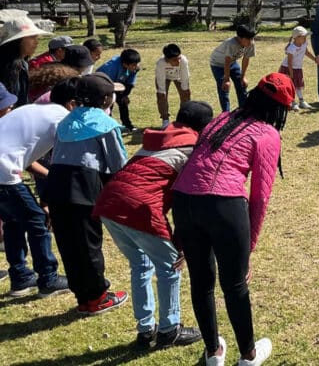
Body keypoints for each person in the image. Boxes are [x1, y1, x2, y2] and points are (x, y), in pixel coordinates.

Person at [172, 73, 292, 366]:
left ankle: (213, 352)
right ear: (280, 109)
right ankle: (248, 355)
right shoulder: (267, 133)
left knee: (201, 282)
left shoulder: (220, 119)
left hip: (184, 200)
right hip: (223, 204)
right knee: (235, 284)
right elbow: (260, 195)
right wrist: (247, 247)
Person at [94, 101, 214, 350]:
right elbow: (186, 203)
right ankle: (170, 329)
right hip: (140, 207)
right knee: (169, 267)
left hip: (108, 202)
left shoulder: (153, 141)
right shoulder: (191, 149)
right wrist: (180, 245)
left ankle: (145, 330)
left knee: (141, 264)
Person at [42, 73, 129, 315]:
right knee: (89, 244)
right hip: (83, 187)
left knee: (68, 244)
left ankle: (83, 297)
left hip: (57, 185)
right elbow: (118, 164)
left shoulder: (66, 120)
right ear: (105, 99)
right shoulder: (105, 123)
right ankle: (98, 298)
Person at [0, 80, 74, 299]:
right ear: (72, 104)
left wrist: (49, 177)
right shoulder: (62, 119)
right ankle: (48, 279)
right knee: (37, 220)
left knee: (13, 221)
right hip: (3, 172)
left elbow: (26, 157)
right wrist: (48, 199)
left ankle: (21, 278)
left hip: (4, 169)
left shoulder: (34, 110)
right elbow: (62, 162)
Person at [0, 16, 51, 107]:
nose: (36, 42)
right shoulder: (6, 66)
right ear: (16, 41)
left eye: (37, 38)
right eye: (32, 37)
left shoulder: (22, 63)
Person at [209, 25, 257, 113]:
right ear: (240, 38)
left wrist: (243, 77)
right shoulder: (231, 44)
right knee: (224, 87)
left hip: (232, 62)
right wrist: (226, 79)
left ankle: (244, 110)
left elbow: (246, 59)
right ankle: (226, 113)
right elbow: (226, 62)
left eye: (252, 38)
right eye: (248, 39)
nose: (251, 41)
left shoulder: (251, 43)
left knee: (241, 84)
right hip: (218, 64)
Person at [98, 48, 141, 132]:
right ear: (125, 64)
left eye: (137, 64)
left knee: (123, 102)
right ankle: (108, 127)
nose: (136, 67)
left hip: (117, 84)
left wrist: (125, 95)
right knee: (109, 105)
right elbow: (107, 85)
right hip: (103, 85)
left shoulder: (134, 68)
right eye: (134, 65)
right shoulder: (111, 67)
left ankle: (127, 125)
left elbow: (130, 83)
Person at [155, 44, 192, 129]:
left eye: (179, 58)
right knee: (161, 96)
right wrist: (161, 91)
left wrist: (185, 89)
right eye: (174, 60)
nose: (178, 62)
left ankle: (183, 119)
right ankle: (165, 120)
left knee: (186, 95)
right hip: (165, 77)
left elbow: (185, 76)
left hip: (179, 76)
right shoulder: (161, 63)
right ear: (167, 59)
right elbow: (160, 79)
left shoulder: (183, 60)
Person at [280, 26, 316, 112]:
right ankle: (292, 102)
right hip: (288, 68)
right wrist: (291, 74)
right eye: (304, 37)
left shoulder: (304, 45)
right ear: (297, 38)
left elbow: (306, 52)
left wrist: (314, 59)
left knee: (298, 85)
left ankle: (301, 101)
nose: (305, 39)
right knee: (291, 85)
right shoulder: (291, 48)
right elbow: (289, 63)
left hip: (298, 68)